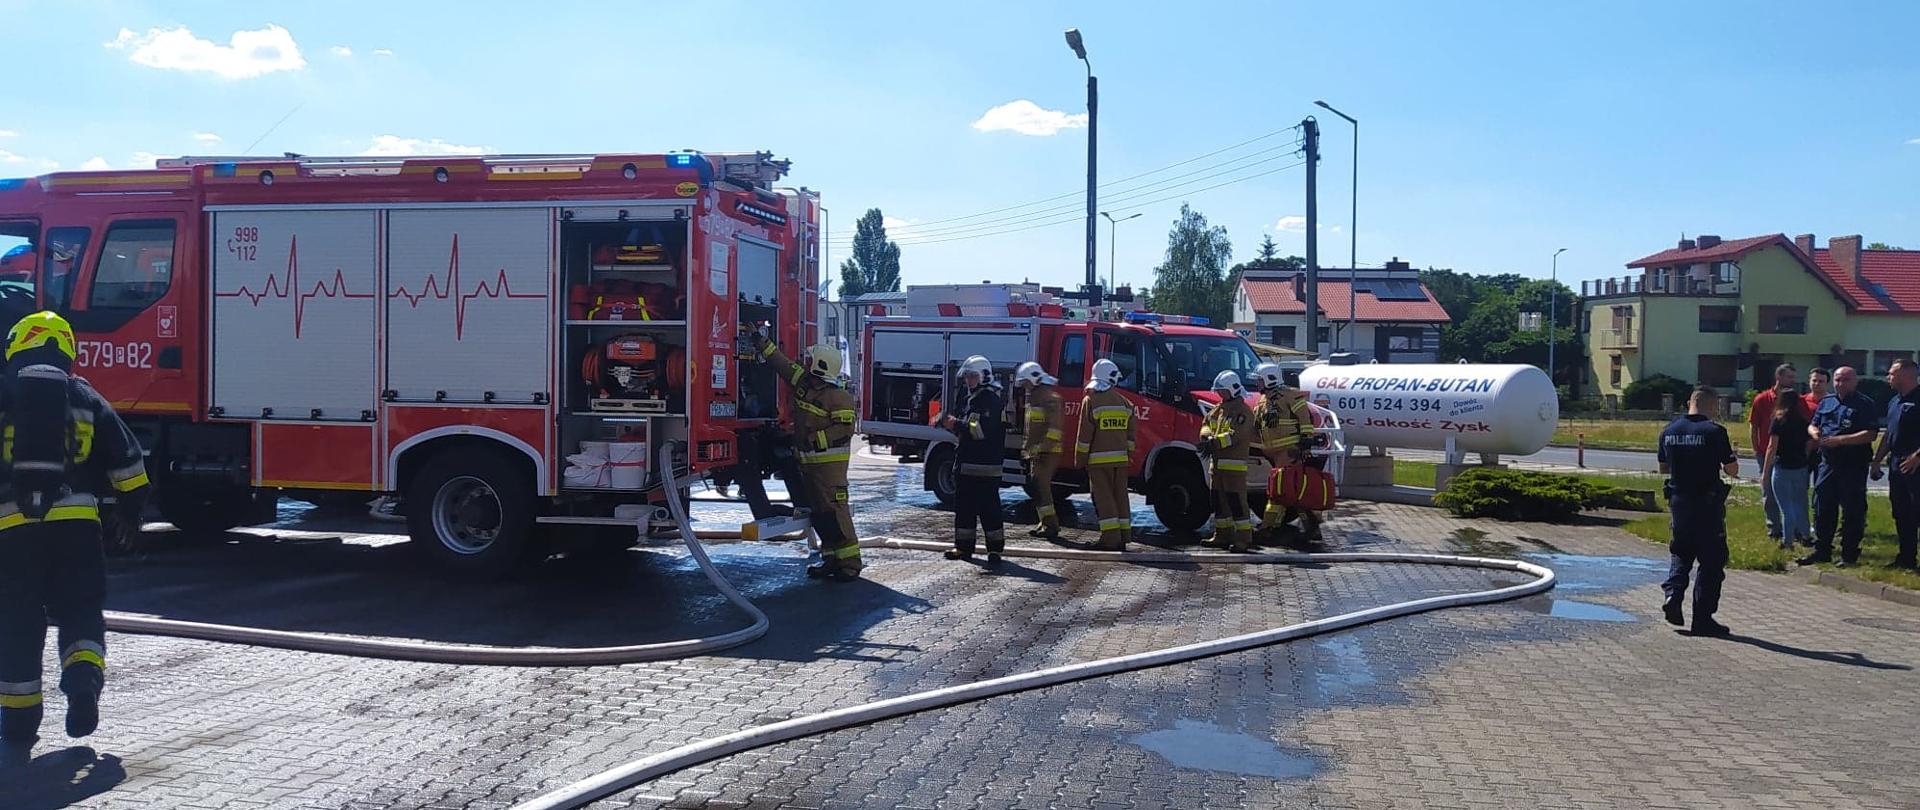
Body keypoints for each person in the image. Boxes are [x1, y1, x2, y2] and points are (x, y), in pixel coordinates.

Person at [0, 312, 150, 743]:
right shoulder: (84, 394)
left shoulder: (6, 392)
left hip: (12, 531)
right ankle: (83, 680)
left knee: (17, 622)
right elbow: (128, 461)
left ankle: (19, 723)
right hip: (78, 530)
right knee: (81, 609)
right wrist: (130, 511)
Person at [750, 334, 861, 581]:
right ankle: (831, 559)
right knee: (821, 516)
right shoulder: (805, 383)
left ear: (821, 365)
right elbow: (783, 365)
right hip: (810, 467)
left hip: (829, 471)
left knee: (836, 513)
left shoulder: (838, 396)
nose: (806, 362)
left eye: (811, 360)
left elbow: (843, 430)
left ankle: (851, 564)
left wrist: (814, 440)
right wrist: (762, 342)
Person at [1657, 385, 1741, 637]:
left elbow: (1663, 468)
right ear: (1712, 405)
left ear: (1688, 402)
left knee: (1681, 552)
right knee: (1711, 560)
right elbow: (1732, 470)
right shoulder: (1714, 432)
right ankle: (1703, 618)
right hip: (1707, 505)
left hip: (1679, 503)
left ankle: (1673, 593)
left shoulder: (1669, 431)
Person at [1801, 366, 1880, 567]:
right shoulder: (1827, 402)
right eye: (1837, 380)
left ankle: (1849, 553)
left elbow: (1870, 433)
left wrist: (1841, 440)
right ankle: (1822, 550)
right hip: (1828, 463)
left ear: (1855, 381)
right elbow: (1813, 423)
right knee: (1822, 506)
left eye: (1845, 380)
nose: (1840, 383)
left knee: (1852, 509)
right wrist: (1814, 433)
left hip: (1853, 464)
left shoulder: (1864, 404)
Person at [943, 355, 1006, 565]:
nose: (967, 381)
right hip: (968, 466)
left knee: (989, 510)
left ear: (983, 377)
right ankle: (963, 547)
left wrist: (956, 424)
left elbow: (979, 431)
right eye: (967, 376)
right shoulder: (974, 398)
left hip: (984, 466)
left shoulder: (989, 400)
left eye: (971, 376)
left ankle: (995, 550)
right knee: (964, 509)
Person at [1249, 363, 1321, 543]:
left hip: (1290, 452)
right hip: (1274, 454)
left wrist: (1305, 442)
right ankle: (1311, 527)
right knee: (1292, 490)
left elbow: (1305, 418)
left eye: (1259, 380)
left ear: (1269, 379)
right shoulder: (1262, 401)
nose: (1257, 384)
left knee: (1279, 489)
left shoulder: (1290, 395)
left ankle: (1268, 527)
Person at [1075, 358, 1134, 550]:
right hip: (1121, 461)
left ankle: (1110, 538)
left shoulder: (1091, 401)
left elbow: (1084, 435)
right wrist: (1128, 454)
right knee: (1120, 497)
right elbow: (1131, 436)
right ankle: (1124, 536)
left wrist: (1080, 460)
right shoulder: (1125, 403)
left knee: (1104, 498)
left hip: (1098, 461)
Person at [1871, 359, 1920, 570]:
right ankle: (1906, 558)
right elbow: (1889, 435)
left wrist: (1917, 457)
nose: (1887, 377)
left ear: (1907, 375)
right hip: (1897, 464)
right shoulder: (1894, 401)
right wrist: (1877, 461)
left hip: (1916, 465)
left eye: (1892, 373)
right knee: (1901, 512)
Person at [1201, 371, 1257, 552]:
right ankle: (1222, 535)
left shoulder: (1243, 412)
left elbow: (1236, 435)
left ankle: (1243, 538)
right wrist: (1206, 437)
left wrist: (1214, 443)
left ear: (1233, 390)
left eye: (1223, 391)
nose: (1220, 395)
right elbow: (1206, 424)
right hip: (1216, 468)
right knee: (1218, 502)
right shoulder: (1219, 409)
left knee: (1236, 503)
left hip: (1234, 468)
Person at [1748, 362, 1798, 544]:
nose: (1793, 380)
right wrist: (1756, 449)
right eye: (1789, 377)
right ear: (1779, 377)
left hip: (1788, 454)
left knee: (1790, 493)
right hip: (1765, 452)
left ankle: (1792, 530)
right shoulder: (1762, 399)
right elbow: (1753, 426)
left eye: (1794, 377)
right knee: (1768, 491)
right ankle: (1774, 529)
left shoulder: (1794, 400)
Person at [1014, 361, 1064, 540]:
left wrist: (1042, 450)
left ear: (1034, 379)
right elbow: (1032, 430)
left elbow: (1054, 429)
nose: (1025, 387)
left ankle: (1051, 525)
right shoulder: (1035, 397)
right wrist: (1025, 451)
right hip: (1037, 453)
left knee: (1041, 487)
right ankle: (1044, 522)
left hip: (1048, 453)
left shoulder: (1050, 398)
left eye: (1026, 383)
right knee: (1037, 488)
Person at [1761, 387, 1814, 550]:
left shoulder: (1778, 420)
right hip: (1800, 466)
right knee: (1800, 502)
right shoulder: (1803, 421)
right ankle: (1805, 534)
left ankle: (1788, 540)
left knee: (1785, 506)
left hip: (1782, 466)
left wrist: (1765, 470)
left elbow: (1772, 446)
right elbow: (1809, 443)